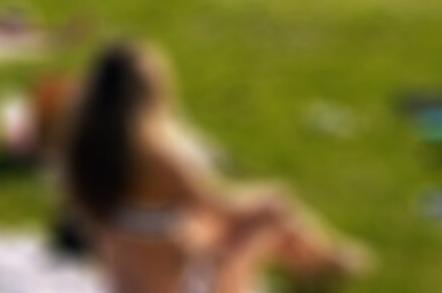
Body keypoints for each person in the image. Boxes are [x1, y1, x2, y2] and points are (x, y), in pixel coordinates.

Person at [64, 41, 367, 293]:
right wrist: (264, 198)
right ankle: (325, 262)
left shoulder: (84, 152)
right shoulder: (159, 158)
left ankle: (317, 263)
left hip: (125, 279)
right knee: (274, 206)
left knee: (211, 225)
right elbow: (223, 210)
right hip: (179, 285)